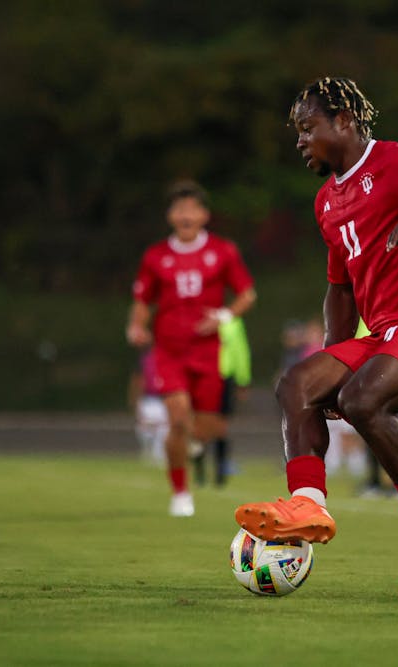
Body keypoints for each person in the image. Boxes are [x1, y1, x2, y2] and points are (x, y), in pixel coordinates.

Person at [233, 76, 398, 598]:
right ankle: (308, 502)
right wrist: (334, 358)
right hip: (387, 333)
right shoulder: (327, 201)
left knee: (361, 399)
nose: (300, 141)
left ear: (346, 122)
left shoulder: (397, 162)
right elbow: (340, 290)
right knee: (297, 384)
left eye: (308, 128)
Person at [127, 179, 257, 517]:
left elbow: (247, 294)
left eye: (191, 209)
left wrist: (224, 316)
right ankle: (180, 492)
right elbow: (142, 299)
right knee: (178, 418)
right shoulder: (156, 256)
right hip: (169, 352)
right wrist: (137, 325)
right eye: (179, 209)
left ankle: (197, 444)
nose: (185, 215)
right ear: (171, 215)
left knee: (211, 428)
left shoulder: (223, 251)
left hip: (208, 350)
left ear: (203, 215)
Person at [193, 316, 252, 488]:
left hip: (223, 377)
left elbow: (240, 351)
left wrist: (243, 379)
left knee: (220, 426)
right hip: (200, 376)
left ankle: (220, 471)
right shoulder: (195, 316)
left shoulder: (232, 322)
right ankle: (199, 471)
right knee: (199, 426)